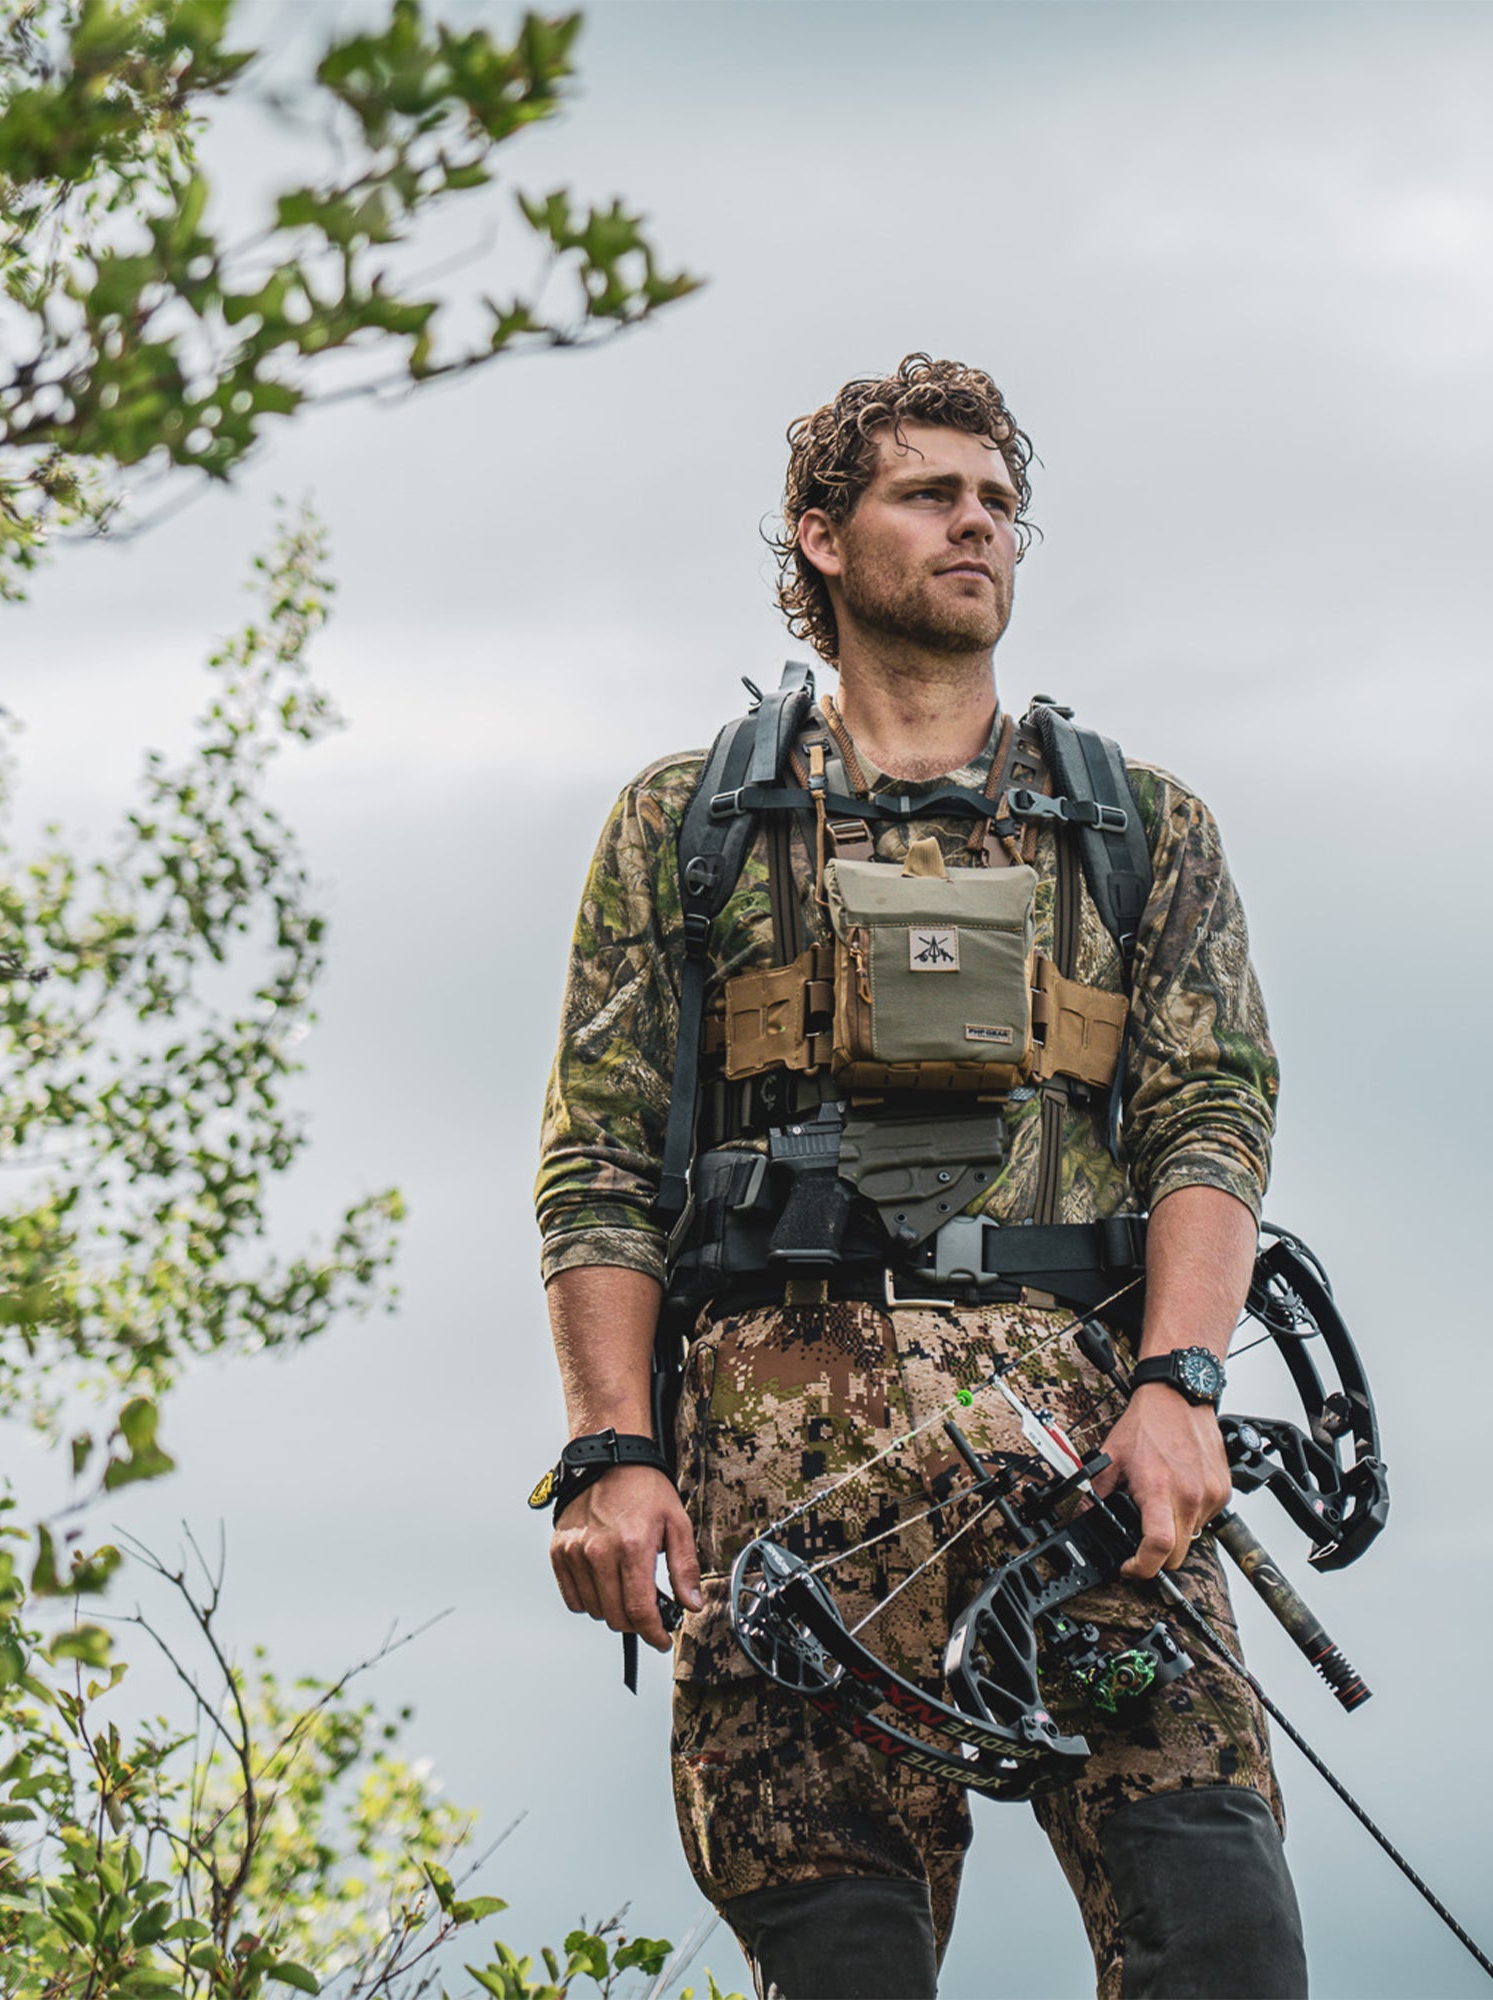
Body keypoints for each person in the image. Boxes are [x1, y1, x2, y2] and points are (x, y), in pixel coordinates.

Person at [533, 356, 1305, 1999]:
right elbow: (596, 1155)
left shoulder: (1140, 829)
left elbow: (1212, 1123)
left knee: (1221, 1931)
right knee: (841, 1962)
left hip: (1083, 1479)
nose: (979, 526)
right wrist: (611, 1449)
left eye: (1001, 503)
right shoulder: (692, 824)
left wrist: (1179, 1387)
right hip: (782, 1488)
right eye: (931, 494)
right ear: (820, 536)